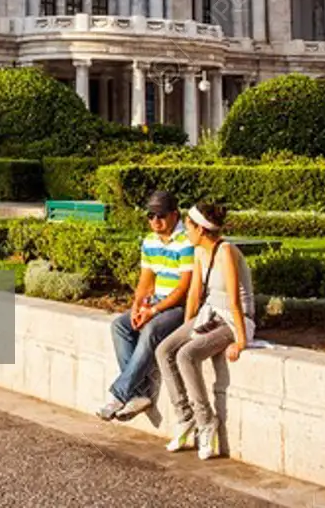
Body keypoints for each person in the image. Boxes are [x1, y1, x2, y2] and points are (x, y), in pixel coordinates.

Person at [155, 202, 255, 460]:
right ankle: (185, 417)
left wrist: (241, 341)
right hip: (208, 315)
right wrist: (187, 327)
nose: (185, 230)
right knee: (165, 349)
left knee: (186, 355)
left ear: (200, 229)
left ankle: (207, 421)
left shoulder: (226, 251)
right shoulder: (199, 251)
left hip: (233, 320)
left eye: (188, 226)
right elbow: (194, 294)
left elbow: (234, 300)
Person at [97, 190, 194, 422]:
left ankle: (121, 394)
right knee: (120, 326)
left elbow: (182, 291)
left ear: (174, 214)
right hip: (156, 303)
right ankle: (139, 395)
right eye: (150, 216)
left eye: (160, 215)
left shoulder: (187, 241)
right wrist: (138, 307)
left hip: (178, 307)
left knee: (150, 331)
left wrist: (153, 312)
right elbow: (145, 281)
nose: (155, 221)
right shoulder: (150, 241)